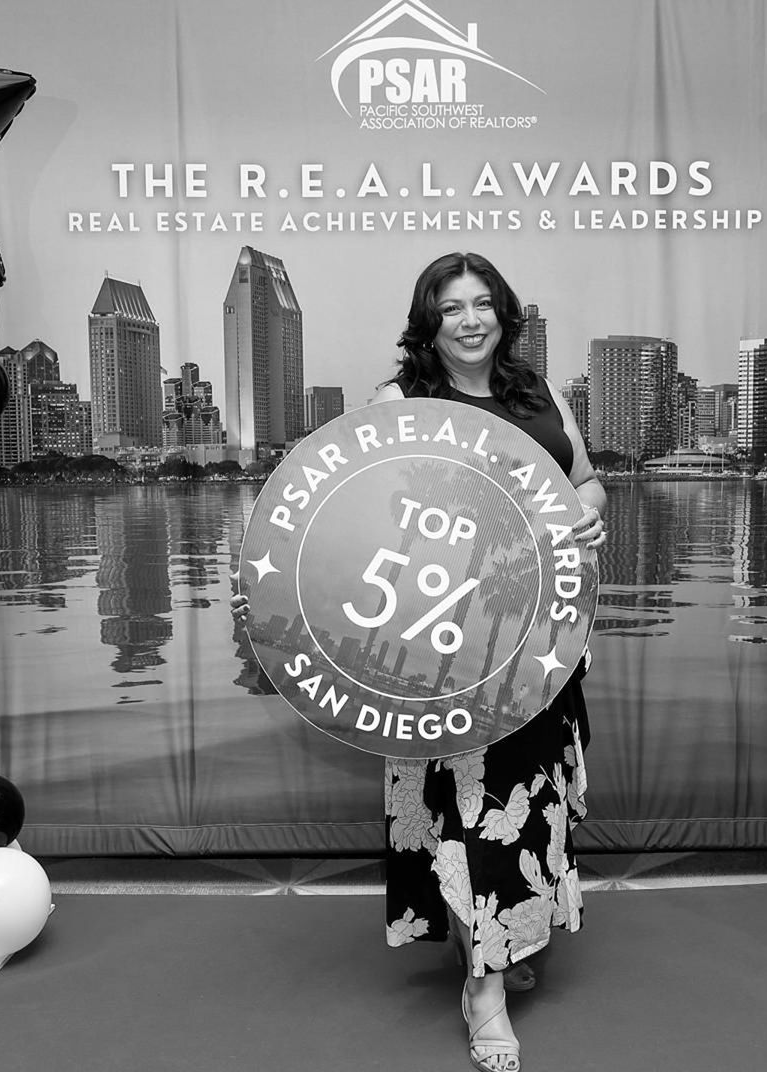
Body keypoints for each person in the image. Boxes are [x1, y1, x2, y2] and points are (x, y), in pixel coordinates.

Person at [234, 252, 606, 1072]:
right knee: (473, 811)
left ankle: (496, 942)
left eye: (483, 304)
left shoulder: (540, 395)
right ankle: (485, 989)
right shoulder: (399, 404)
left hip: (535, 644)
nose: (470, 321)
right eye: (451, 309)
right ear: (428, 324)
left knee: (526, 809)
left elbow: (584, 482)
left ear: (504, 313)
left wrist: (587, 514)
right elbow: (364, 516)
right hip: (446, 651)